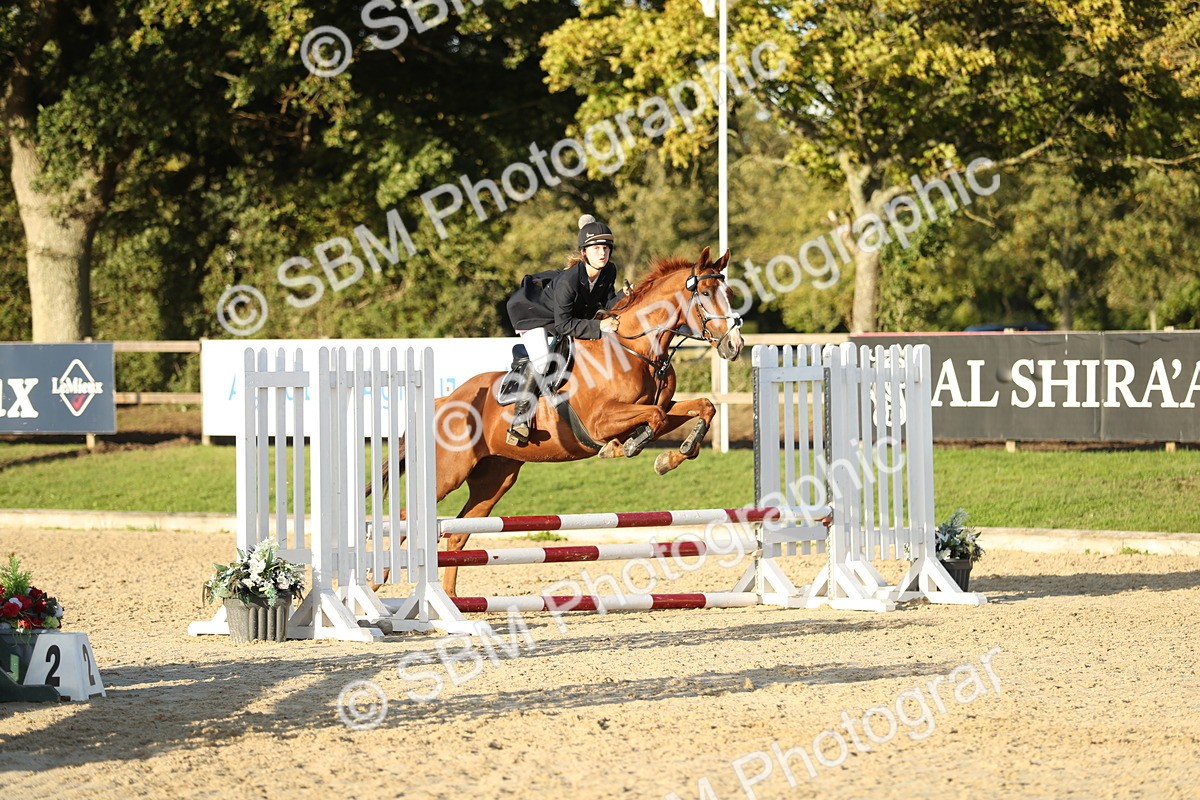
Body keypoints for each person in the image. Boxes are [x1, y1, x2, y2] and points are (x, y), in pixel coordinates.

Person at [504, 214, 623, 443]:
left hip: (563, 318)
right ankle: (519, 419)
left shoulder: (609, 271)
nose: (602, 253)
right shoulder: (569, 281)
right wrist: (599, 326)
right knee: (542, 362)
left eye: (606, 248)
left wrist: (626, 296)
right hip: (534, 315)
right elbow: (564, 325)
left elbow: (607, 303)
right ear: (584, 253)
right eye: (596, 248)